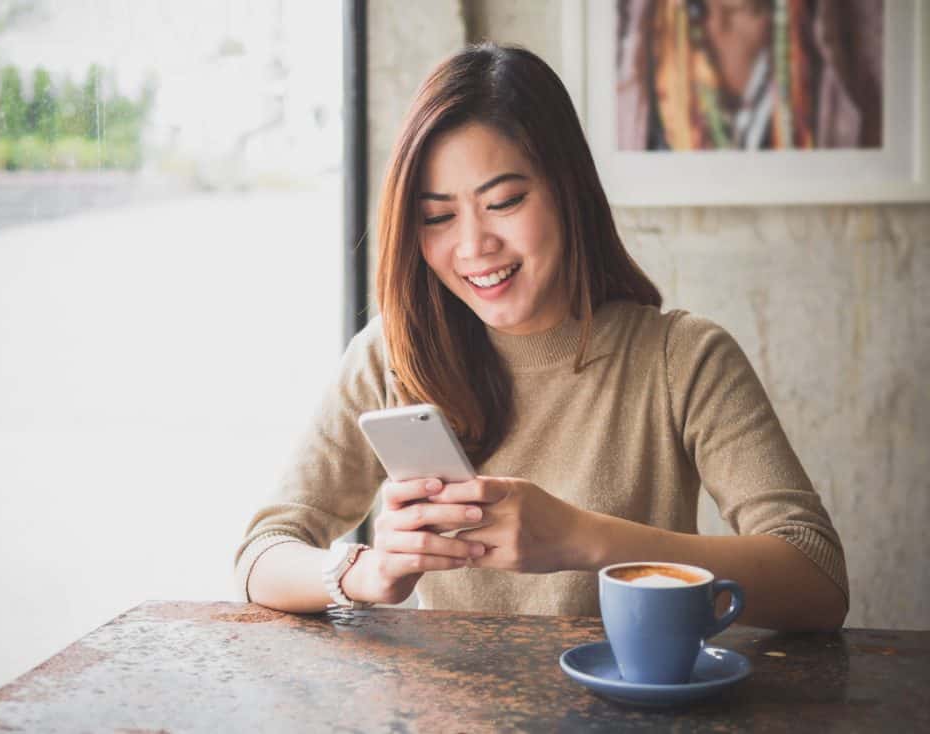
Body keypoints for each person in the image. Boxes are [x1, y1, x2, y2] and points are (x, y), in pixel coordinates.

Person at [234, 42, 848, 630]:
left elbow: (817, 579)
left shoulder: (682, 358)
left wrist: (581, 539)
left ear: (567, 190)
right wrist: (367, 571)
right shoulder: (392, 354)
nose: (474, 247)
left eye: (503, 202)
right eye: (439, 217)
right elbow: (263, 555)